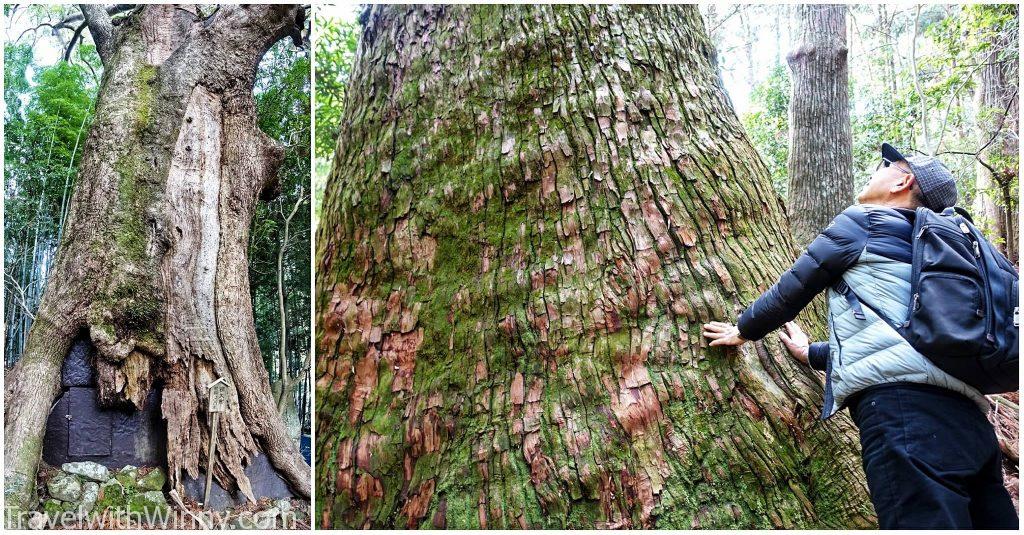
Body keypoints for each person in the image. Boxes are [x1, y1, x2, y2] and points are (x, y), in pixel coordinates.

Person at [702, 143, 1018, 529]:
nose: (877, 170)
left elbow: (795, 286)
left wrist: (744, 329)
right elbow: (907, 338)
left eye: (887, 165)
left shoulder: (864, 222)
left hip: (904, 416)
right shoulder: (946, 253)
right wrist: (812, 353)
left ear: (903, 180)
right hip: (970, 423)